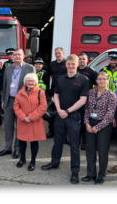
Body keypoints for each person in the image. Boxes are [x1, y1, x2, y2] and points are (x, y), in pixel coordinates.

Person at [41, 54, 89, 184]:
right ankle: (54, 162)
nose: (71, 66)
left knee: (74, 144)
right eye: (69, 64)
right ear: (66, 64)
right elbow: (55, 95)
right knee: (58, 141)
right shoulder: (60, 78)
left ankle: (75, 171)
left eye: (73, 64)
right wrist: (59, 110)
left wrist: (68, 111)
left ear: (77, 64)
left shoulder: (83, 79)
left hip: (73, 116)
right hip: (60, 114)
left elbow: (83, 100)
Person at [0, 49, 36, 159]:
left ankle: (17, 149)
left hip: (22, 102)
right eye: (15, 55)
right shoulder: (8, 68)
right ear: (12, 57)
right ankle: (7, 148)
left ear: (23, 56)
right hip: (9, 100)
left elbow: (33, 86)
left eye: (19, 54)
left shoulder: (30, 68)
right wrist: (3, 100)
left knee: (20, 126)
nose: (17, 56)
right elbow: (5, 85)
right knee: (8, 126)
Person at [82, 71, 117, 185]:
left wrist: (98, 127)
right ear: (96, 81)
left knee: (102, 151)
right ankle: (91, 174)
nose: (102, 81)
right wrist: (87, 123)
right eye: (99, 79)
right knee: (90, 150)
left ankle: (101, 176)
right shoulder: (91, 92)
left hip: (104, 125)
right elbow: (86, 109)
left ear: (108, 80)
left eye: (104, 79)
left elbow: (110, 114)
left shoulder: (111, 95)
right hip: (90, 123)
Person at [13, 73, 47, 171]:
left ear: (35, 82)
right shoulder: (20, 92)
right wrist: (23, 117)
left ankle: (32, 161)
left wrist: (31, 117)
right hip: (23, 121)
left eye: (32, 81)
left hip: (35, 121)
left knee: (34, 142)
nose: (30, 82)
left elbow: (43, 107)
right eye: (28, 81)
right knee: (22, 141)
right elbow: (16, 106)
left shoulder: (40, 92)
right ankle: (22, 159)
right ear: (25, 82)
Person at [77, 52, 98, 150]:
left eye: (83, 59)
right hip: (75, 99)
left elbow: (97, 84)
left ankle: (84, 142)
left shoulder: (91, 71)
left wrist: (92, 96)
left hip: (86, 100)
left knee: (84, 121)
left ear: (87, 60)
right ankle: (77, 140)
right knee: (76, 121)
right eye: (80, 59)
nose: (81, 61)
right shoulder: (75, 70)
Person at [47, 47, 67, 139]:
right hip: (54, 90)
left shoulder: (67, 63)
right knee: (52, 112)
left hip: (64, 91)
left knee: (63, 112)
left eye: (59, 53)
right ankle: (51, 131)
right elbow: (51, 75)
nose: (58, 55)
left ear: (63, 53)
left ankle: (63, 134)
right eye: (56, 53)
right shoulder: (52, 64)